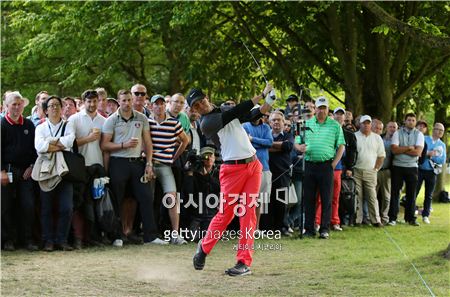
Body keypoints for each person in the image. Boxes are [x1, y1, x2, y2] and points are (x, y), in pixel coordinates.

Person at [190, 83, 274, 276]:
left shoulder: (224, 109)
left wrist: (268, 101)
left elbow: (252, 114)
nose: (200, 105)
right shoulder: (206, 123)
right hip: (232, 170)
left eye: (201, 100)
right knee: (226, 214)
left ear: (206, 97)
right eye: (195, 105)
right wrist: (262, 93)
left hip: (253, 165)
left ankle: (243, 261)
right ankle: (204, 248)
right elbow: (236, 111)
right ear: (194, 110)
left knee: (248, 213)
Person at [101, 89, 166, 245]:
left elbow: (148, 143)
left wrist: (149, 163)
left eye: (129, 100)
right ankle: (117, 236)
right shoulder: (111, 120)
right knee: (117, 199)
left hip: (137, 162)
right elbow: (104, 145)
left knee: (146, 197)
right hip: (118, 162)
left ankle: (150, 236)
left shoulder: (141, 118)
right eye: (124, 100)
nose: (127, 103)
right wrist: (124, 145)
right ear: (119, 101)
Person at [298, 96, 345, 239]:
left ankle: (324, 229)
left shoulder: (335, 125)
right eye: (319, 107)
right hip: (310, 164)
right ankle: (309, 229)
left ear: (327, 109)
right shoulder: (307, 123)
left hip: (326, 166)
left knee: (326, 199)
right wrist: (299, 147)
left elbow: (341, 146)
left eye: (324, 108)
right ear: (315, 108)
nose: (321, 110)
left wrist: (333, 163)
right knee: (309, 199)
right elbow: (297, 142)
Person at [34, 95, 76, 251]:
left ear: (62, 107)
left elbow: (70, 141)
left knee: (67, 207)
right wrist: (59, 143)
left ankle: (62, 239)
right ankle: (48, 240)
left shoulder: (68, 125)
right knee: (46, 208)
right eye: (51, 106)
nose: (54, 108)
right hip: (46, 171)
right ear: (46, 110)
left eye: (57, 105)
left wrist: (49, 142)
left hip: (64, 171)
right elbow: (39, 146)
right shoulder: (40, 127)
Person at [148, 94, 189, 245]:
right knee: (149, 199)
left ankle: (175, 234)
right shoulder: (147, 122)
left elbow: (185, 140)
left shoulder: (173, 123)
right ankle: (149, 234)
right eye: (156, 104)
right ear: (151, 106)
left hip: (165, 165)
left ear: (165, 105)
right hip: (150, 165)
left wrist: (174, 157)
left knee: (172, 197)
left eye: (161, 104)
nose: (159, 107)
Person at [1, 91, 38, 251]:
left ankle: (27, 239)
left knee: (28, 206)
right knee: (5, 207)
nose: (17, 107)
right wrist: (1, 171)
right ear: (7, 106)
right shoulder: (2, 125)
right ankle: (8, 240)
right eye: (13, 104)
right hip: (6, 171)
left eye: (19, 104)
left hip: (25, 172)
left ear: (23, 105)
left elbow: (35, 150)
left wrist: (31, 166)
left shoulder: (29, 125)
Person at [315, 107, 356, 231]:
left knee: (335, 197)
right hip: (322, 168)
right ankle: (317, 222)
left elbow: (343, 153)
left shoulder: (341, 134)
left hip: (336, 169)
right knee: (321, 197)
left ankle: (334, 221)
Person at [389, 113, 424, 226]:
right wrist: (409, 148)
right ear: (405, 121)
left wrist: (402, 149)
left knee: (411, 194)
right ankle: (392, 218)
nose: (411, 122)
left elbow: (418, 152)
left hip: (412, 167)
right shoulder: (397, 133)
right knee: (395, 193)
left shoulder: (419, 134)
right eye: (409, 120)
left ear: (415, 122)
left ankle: (410, 218)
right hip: (397, 166)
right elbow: (394, 150)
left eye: (413, 120)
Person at [242, 107, 273, 235]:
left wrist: (253, 140)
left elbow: (270, 142)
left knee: (259, 201)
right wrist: (260, 143)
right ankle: (247, 228)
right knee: (248, 201)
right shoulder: (245, 126)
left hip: (264, 167)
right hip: (249, 168)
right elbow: (245, 144)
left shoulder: (265, 127)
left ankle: (256, 228)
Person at [353, 115, 385, 227]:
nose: (366, 125)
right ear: (360, 124)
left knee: (372, 196)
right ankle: (358, 220)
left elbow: (381, 156)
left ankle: (376, 220)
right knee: (357, 196)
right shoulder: (354, 136)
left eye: (368, 123)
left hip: (371, 171)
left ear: (371, 125)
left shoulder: (377, 138)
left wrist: (376, 168)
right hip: (356, 170)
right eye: (364, 123)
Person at [267, 111, 294, 235]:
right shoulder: (265, 134)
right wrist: (279, 147)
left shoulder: (288, 135)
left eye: (279, 120)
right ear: (269, 122)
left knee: (281, 202)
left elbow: (288, 146)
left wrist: (268, 145)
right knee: (268, 201)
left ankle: (282, 228)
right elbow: (259, 147)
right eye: (274, 120)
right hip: (267, 173)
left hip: (283, 173)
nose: (276, 122)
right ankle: (268, 228)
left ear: (284, 123)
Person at [416, 123, 446, 224]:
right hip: (420, 170)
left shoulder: (442, 145)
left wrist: (432, 156)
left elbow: (442, 160)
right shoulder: (424, 139)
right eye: (439, 130)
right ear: (434, 130)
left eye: (442, 131)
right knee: (414, 192)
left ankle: (425, 215)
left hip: (432, 172)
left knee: (428, 195)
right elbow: (419, 153)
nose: (441, 132)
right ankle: (410, 213)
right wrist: (428, 153)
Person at [376, 121, 398, 224]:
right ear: (386, 128)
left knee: (386, 196)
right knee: (373, 195)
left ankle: (384, 217)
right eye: (390, 127)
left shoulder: (397, 141)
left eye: (394, 127)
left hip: (387, 170)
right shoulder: (380, 138)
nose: (392, 129)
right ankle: (374, 216)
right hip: (375, 170)